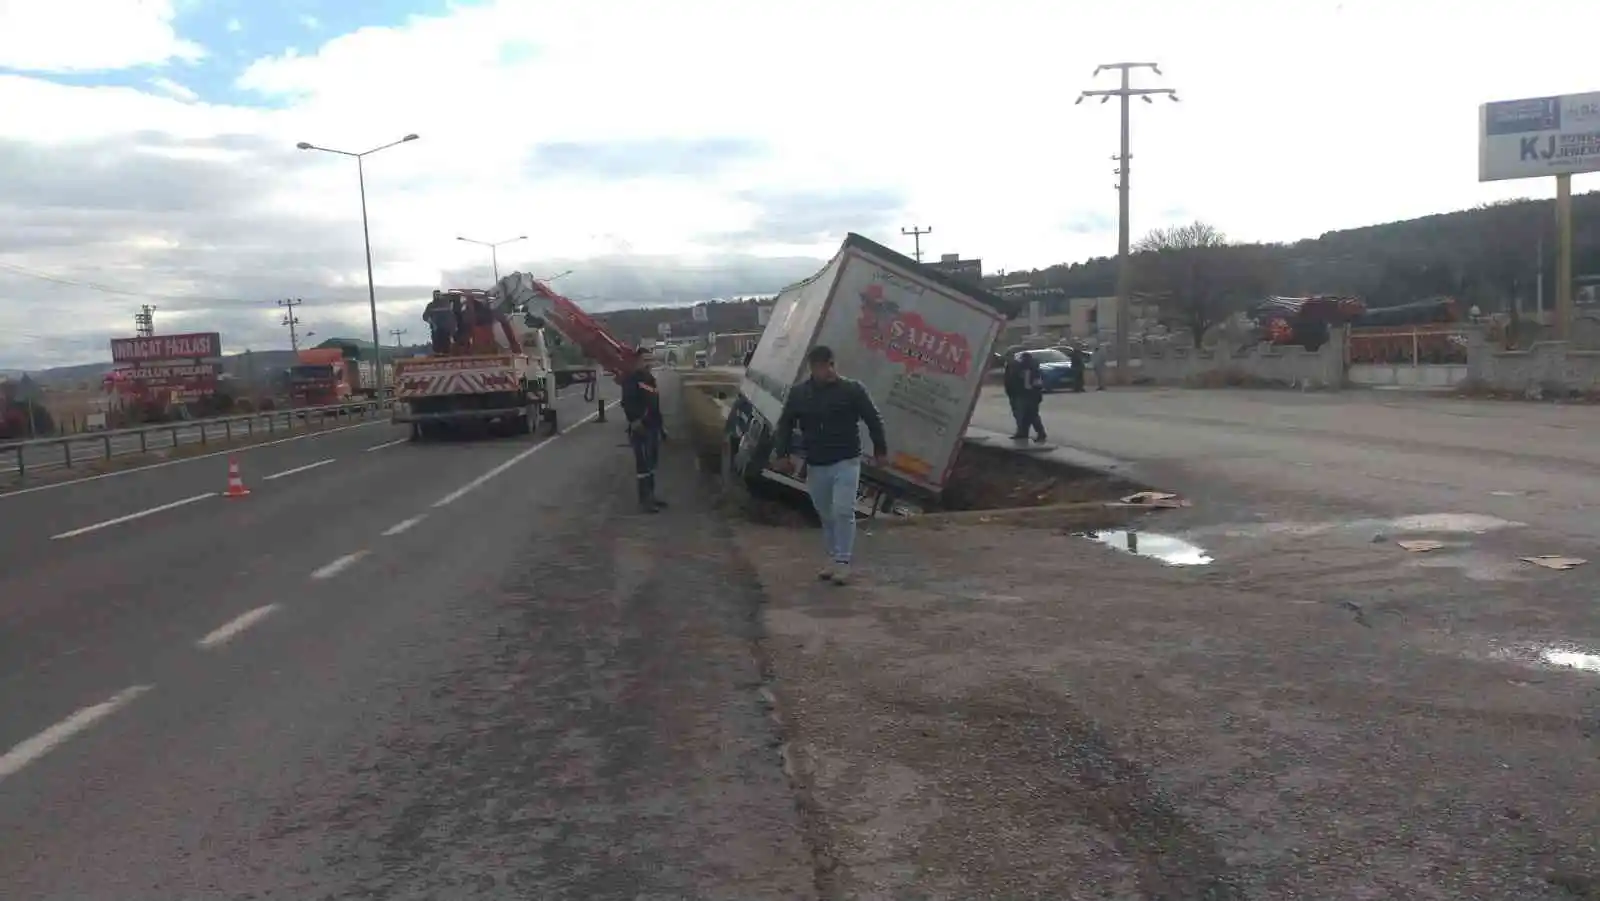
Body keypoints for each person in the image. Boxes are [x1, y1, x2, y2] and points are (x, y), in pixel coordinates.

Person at [772, 345, 887, 585]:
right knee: (826, 513)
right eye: (824, 366)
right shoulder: (799, 395)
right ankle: (833, 557)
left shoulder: (852, 390)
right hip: (817, 463)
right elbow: (785, 424)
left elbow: (873, 419)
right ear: (813, 368)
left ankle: (843, 562)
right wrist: (782, 454)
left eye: (832, 364)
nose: (829, 370)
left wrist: (880, 449)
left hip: (846, 460)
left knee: (843, 510)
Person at [620, 345, 668, 513]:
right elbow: (627, 402)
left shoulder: (649, 379)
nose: (649, 363)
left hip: (653, 426)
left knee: (652, 464)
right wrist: (635, 421)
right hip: (641, 428)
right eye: (645, 360)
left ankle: (652, 496)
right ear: (638, 361)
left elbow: (655, 404)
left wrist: (661, 428)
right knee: (643, 466)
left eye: (650, 360)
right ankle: (645, 500)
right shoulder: (632, 379)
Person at [1017, 351, 1047, 442]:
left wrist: (1033, 391)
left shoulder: (1034, 370)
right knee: (1026, 416)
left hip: (1032, 396)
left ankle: (1041, 433)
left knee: (1033, 415)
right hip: (1027, 394)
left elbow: (1038, 384)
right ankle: (1023, 433)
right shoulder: (1024, 370)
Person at [1002, 352, 1027, 439]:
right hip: (1013, 392)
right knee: (1017, 413)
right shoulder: (1009, 366)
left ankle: (1021, 432)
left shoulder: (1017, 366)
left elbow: (1018, 379)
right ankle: (1021, 431)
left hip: (1017, 392)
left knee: (1019, 413)